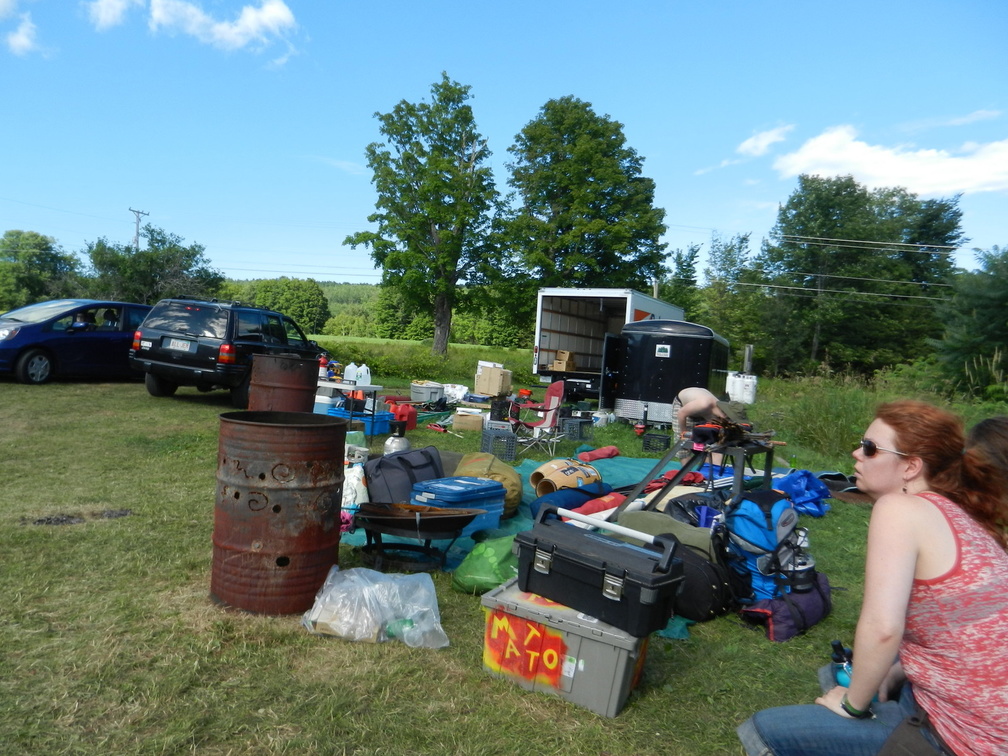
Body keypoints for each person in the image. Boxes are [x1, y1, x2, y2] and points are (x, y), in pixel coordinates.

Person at [737, 399, 1008, 756]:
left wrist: (853, 705)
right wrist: (899, 671)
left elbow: (883, 628)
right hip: (980, 713)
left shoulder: (900, 509)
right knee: (843, 672)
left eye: (870, 448)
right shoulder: (961, 514)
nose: (856, 453)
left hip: (970, 740)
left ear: (911, 466)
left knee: (765, 731)